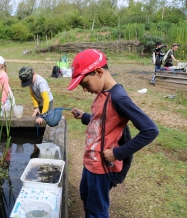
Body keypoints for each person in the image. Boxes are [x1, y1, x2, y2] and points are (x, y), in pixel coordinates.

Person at [67, 49, 159, 218]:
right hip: (90, 162)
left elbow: (150, 130)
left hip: (101, 167)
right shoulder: (103, 93)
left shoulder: (118, 97)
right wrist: (85, 116)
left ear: (99, 72)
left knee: (97, 211)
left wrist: (117, 153)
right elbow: (103, 120)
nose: (85, 90)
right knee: (86, 197)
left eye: (85, 84)